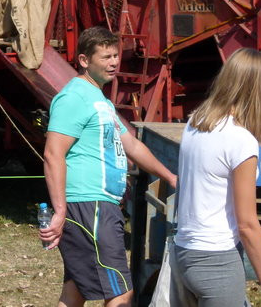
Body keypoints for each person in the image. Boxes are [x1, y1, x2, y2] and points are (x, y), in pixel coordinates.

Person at [40, 26, 177, 307]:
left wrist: (171, 177)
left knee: (75, 290)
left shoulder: (100, 101)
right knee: (121, 294)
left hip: (99, 206)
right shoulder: (74, 97)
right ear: (84, 60)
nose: (114, 62)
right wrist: (61, 210)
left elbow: (133, 146)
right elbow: (53, 154)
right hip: (90, 205)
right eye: (105, 57)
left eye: (115, 56)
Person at [170, 48, 261, 307]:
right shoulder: (241, 141)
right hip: (217, 261)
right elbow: (247, 224)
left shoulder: (196, 122)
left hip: (184, 252)